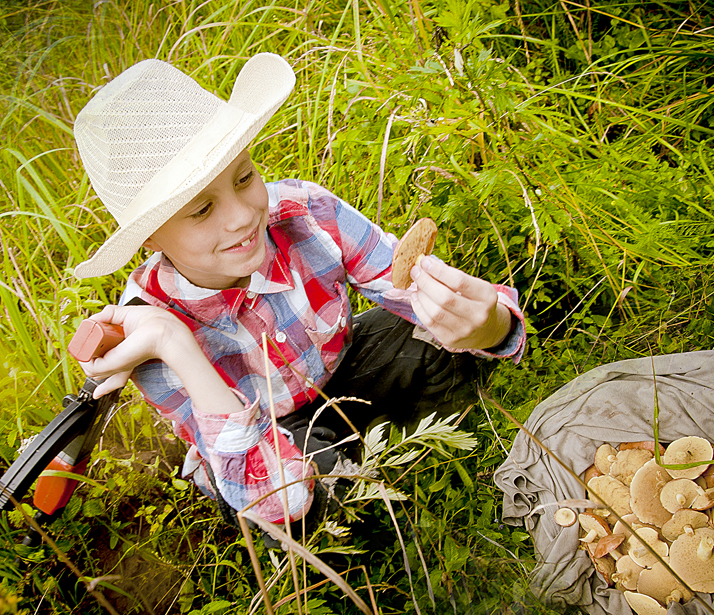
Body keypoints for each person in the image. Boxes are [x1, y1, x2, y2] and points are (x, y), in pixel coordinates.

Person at [71, 53, 525, 533]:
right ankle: (374, 536)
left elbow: (411, 297)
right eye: (201, 210)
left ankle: (439, 465)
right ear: (152, 240)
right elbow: (273, 499)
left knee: (424, 337)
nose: (243, 216)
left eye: (244, 178)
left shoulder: (306, 213)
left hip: (338, 377)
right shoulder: (150, 328)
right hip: (262, 439)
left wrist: (489, 323)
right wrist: (175, 345)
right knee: (297, 505)